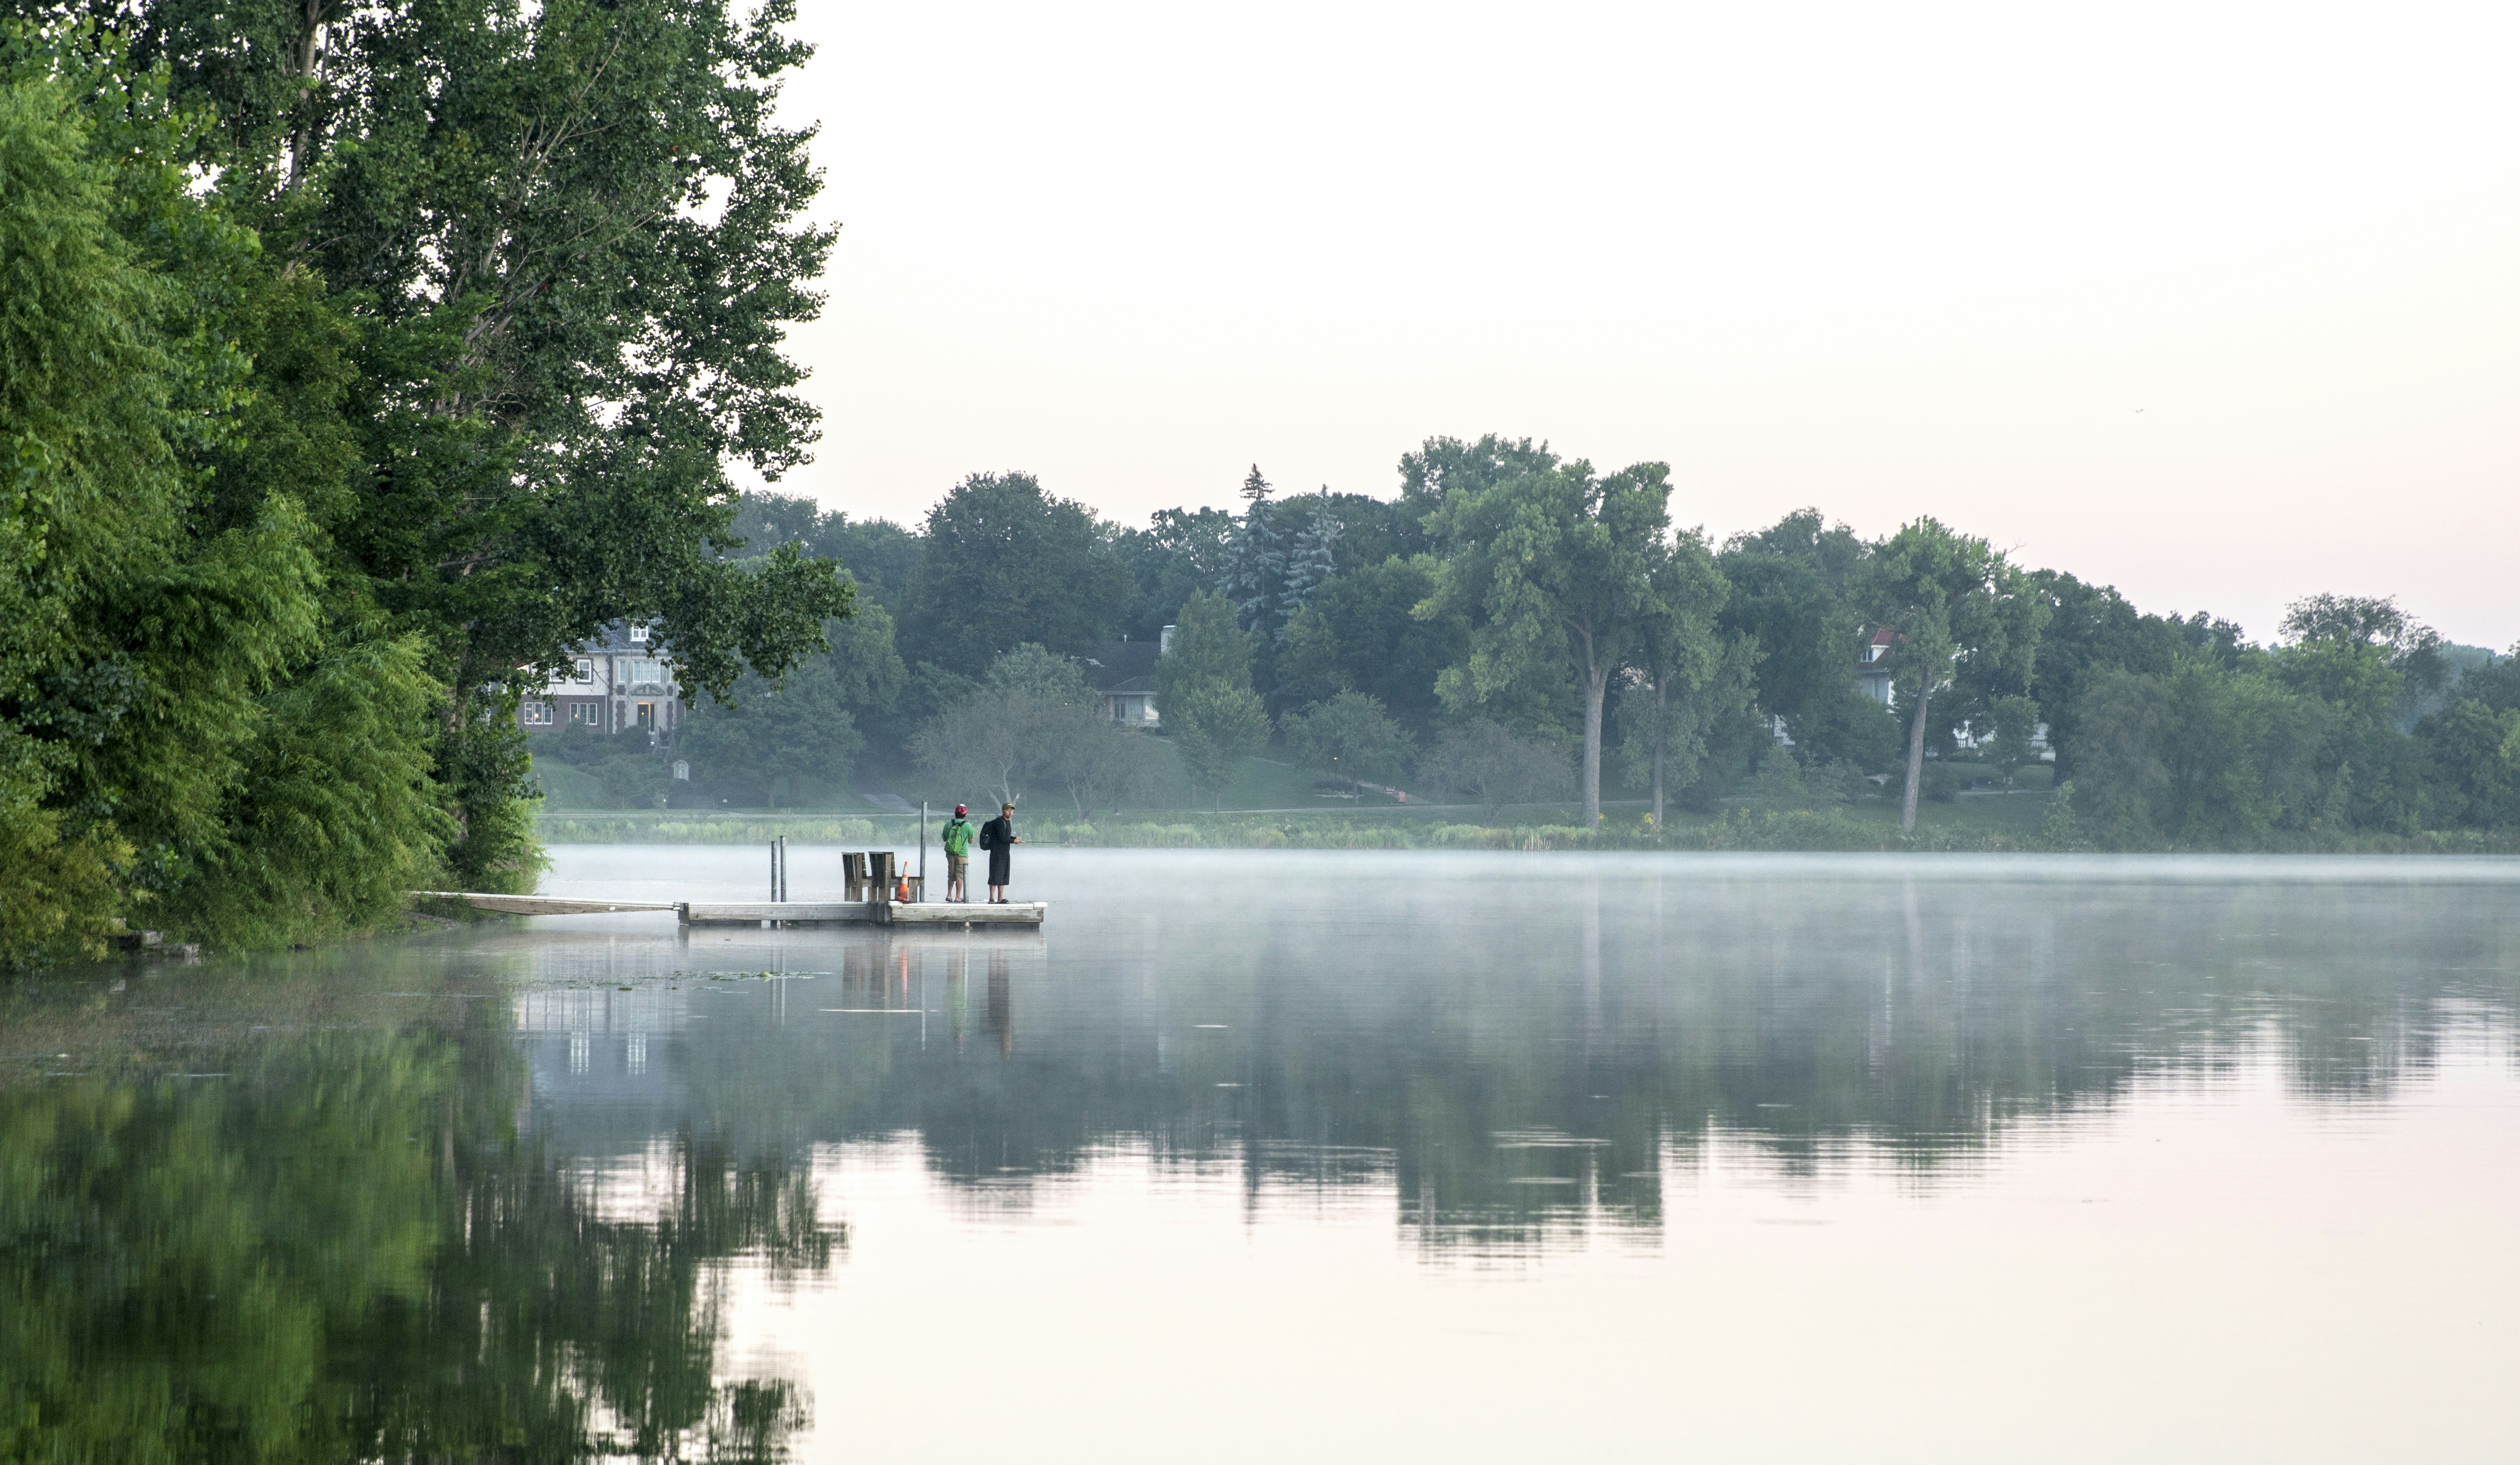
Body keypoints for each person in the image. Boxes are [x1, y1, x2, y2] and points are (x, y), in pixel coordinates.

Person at [979, 801, 1020, 903]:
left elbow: (1005, 836)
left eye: (1012, 810)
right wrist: (1013, 841)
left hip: (1005, 853)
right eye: (1008, 810)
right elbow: (1002, 838)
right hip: (997, 853)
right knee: (995, 875)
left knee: (1003, 875)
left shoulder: (1007, 822)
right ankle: (992, 898)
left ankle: (1001, 899)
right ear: (1003, 811)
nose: (1010, 812)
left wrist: (1014, 838)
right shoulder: (999, 822)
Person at [940, 803, 975, 903]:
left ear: (955, 814)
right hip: (962, 854)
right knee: (960, 875)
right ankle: (958, 897)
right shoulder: (968, 825)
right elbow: (971, 841)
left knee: (951, 874)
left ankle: (949, 895)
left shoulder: (948, 824)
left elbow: (944, 839)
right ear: (965, 814)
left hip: (950, 853)